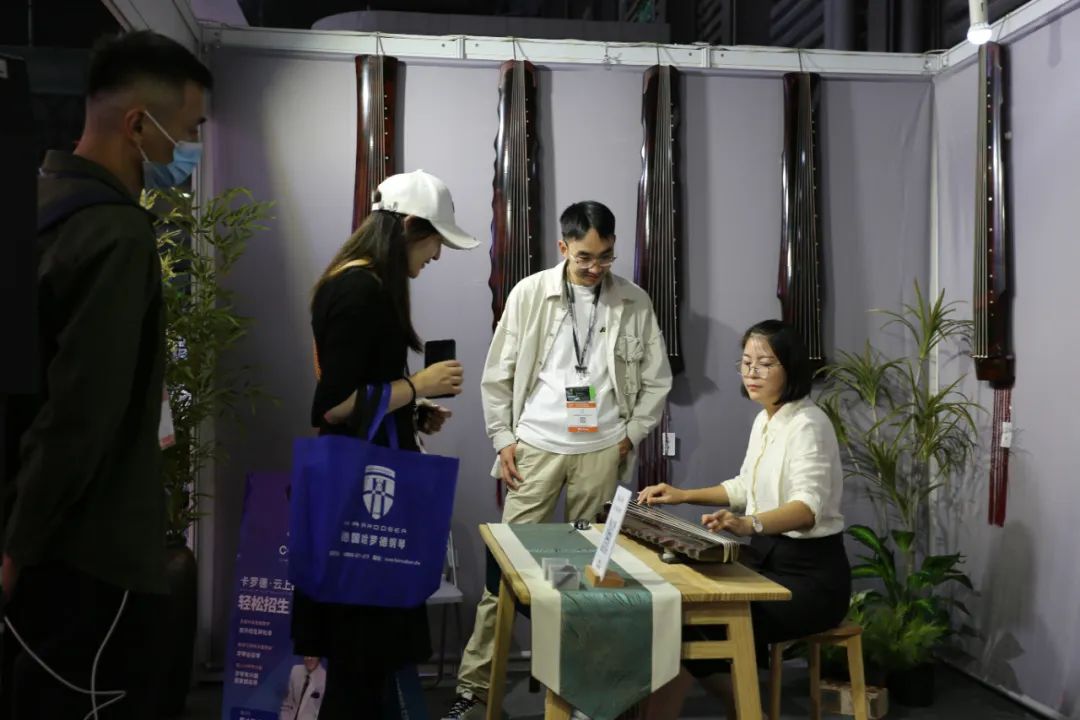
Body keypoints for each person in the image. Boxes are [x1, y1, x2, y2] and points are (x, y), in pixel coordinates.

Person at [0, 31, 211, 719]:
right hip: (88, 558)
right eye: (189, 129)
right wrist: (16, 552)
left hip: (35, 540)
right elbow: (79, 418)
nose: (191, 147)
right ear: (138, 125)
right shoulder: (117, 234)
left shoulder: (38, 204)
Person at [445, 201, 673, 719]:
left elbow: (657, 379)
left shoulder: (633, 300)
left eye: (606, 256)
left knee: (593, 576)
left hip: (602, 450)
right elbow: (497, 374)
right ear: (563, 247)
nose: (595, 267)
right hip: (536, 447)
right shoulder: (530, 294)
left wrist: (631, 435)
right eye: (585, 257)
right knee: (506, 574)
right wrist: (503, 438)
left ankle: (586, 693)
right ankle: (475, 692)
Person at [293, 169, 478, 718]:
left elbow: (360, 392)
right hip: (362, 497)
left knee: (363, 662)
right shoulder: (361, 290)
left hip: (358, 485)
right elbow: (333, 405)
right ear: (410, 226)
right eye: (435, 241)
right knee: (362, 657)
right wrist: (418, 386)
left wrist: (412, 412)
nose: (437, 256)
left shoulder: (359, 283)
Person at [637, 319, 851, 719]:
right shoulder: (766, 418)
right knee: (683, 614)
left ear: (791, 368)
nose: (752, 373)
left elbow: (807, 510)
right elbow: (744, 487)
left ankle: (744, 710)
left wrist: (748, 524)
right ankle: (746, 708)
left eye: (764, 364)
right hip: (768, 564)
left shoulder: (809, 424)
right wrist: (682, 494)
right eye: (746, 363)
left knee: (697, 622)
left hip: (809, 580)